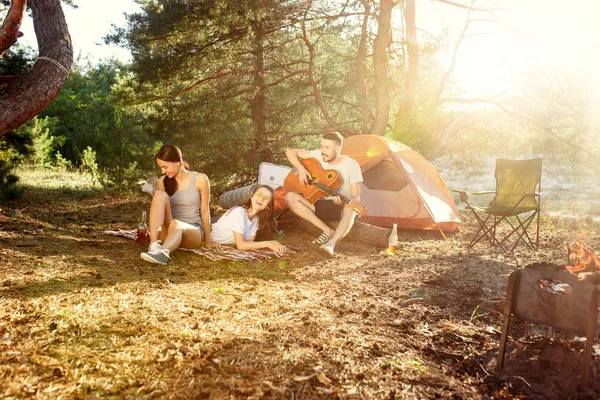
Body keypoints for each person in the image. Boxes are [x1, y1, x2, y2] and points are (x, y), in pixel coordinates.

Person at [284, 132, 363, 255]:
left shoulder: (352, 165)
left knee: (352, 207)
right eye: (321, 146)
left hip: (341, 207)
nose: (322, 151)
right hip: (321, 204)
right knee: (290, 197)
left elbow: (355, 196)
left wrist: (344, 201)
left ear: (337, 149)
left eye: (327, 147)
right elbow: (290, 152)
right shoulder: (318, 155)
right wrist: (301, 169)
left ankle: (331, 244)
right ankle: (327, 230)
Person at [140, 144, 218, 265]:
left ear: (177, 162)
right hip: (170, 229)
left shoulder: (200, 179)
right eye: (161, 167)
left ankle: (163, 254)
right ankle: (154, 247)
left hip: (193, 232)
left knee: (176, 224)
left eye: (165, 167)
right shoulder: (163, 181)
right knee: (159, 194)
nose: (163, 171)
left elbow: (205, 211)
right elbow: (161, 210)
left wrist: (207, 241)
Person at [210, 185, 287, 253]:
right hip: (212, 237)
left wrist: (274, 243)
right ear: (252, 197)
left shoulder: (256, 219)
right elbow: (241, 245)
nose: (261, 199)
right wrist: (268, 243)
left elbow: (249, 243)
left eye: (266, 198)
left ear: (267, 206)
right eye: (259, 195)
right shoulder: (239, 212)